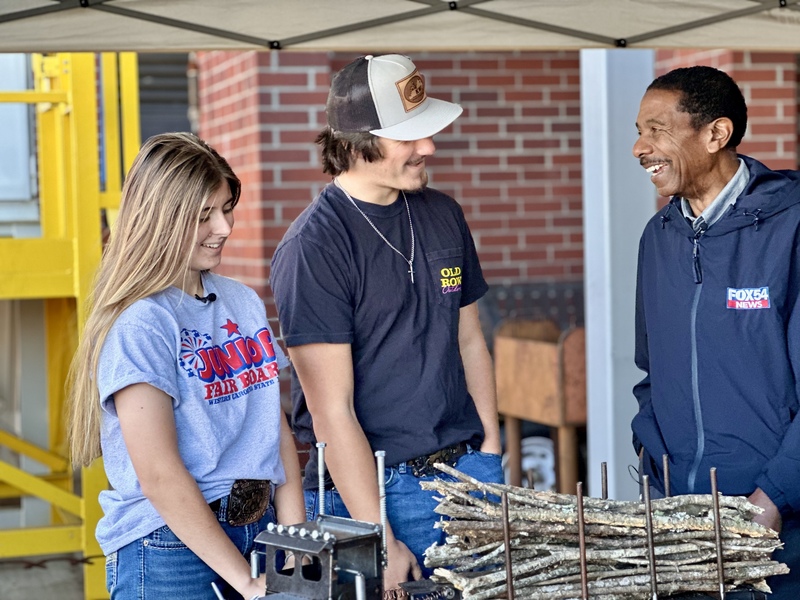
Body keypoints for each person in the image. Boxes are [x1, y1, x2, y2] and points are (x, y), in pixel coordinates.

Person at [269, 54, 503, 590]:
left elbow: (469, 340)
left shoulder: (443, 213)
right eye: (410, 137)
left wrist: (488, 450)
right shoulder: (313, 247)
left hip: (467, 476)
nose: (429, 147)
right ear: (357, 144)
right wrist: (379, 534)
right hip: (375, 493)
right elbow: (330, 410)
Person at [67, 132, 306, 599]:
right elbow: (159, 474)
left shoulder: (242, 301)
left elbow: (272, 429)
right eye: (203, 216)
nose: (224, 227)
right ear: (160, 220)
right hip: (170, 546)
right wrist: (245, 582)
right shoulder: (142, 323)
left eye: (226, 208)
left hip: (261, 530)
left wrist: (295, 545)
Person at [632, 65, 800, 599]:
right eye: (639, 132)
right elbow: (651, 373)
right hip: (681, 524)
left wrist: (774, 497)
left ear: (715, 134)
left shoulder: (791, 228)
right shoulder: (657, 238)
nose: (640, 148)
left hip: (779, 528)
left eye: (657, 131)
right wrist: (655, 472)